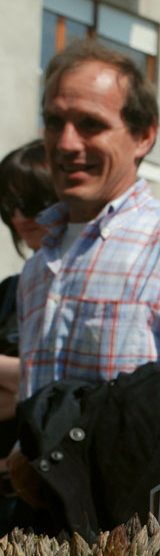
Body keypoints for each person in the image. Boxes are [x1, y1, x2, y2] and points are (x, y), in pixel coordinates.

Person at [13, 39, 160, 531]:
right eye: (55, 122)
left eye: (91, 124)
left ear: (143, 136)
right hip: (51, 533)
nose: (66, 143)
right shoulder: (39, 269)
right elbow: (38, 396)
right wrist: (28, 451)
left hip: (152, 533)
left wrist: (78, 457)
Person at [0, 140, 58, 531]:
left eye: (32, 202)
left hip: (49, 487)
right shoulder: (9, 291)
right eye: (8, 205)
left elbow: (58, 383)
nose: (20, 217)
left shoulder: (82, 284)